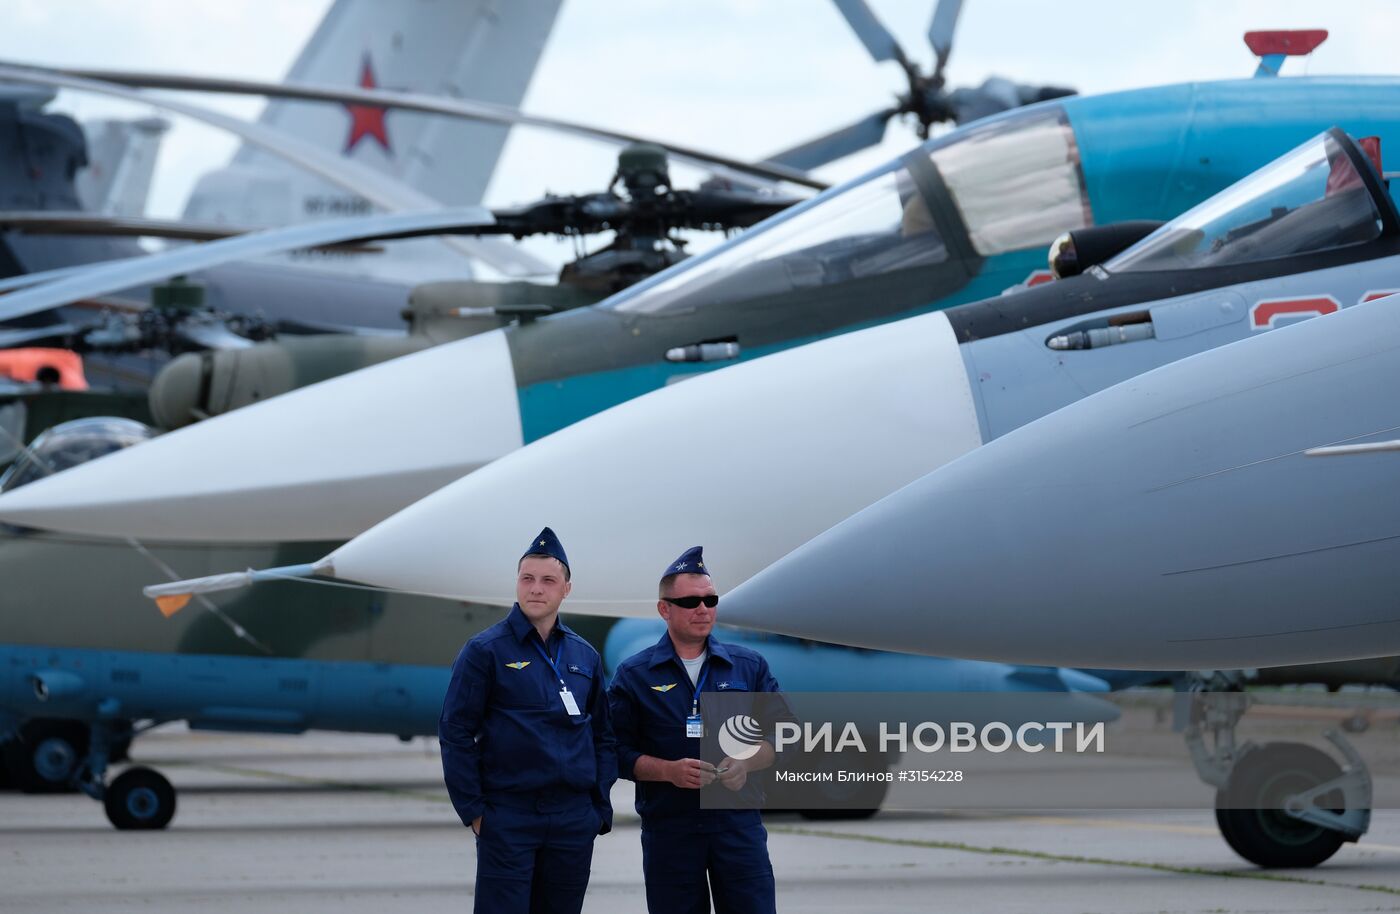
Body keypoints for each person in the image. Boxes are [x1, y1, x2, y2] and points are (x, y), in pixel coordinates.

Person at [439, 526, 616, 914]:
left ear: (566, 589)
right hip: (509, 817)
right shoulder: (484, 651)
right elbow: (455, 732)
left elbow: (604, 736)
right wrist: (475, 812)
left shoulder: (584, 656)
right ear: (517, 584)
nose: (536, 589)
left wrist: (597, 809)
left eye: (548, 580)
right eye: (527, 579)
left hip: (572, 820)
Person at [608, 546, 786, 914]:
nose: (703, 609)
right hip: (671, 830)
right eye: (690, 601)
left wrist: (746, 762)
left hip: (737, 827)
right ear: (664, 609)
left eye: (710, 600)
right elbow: (613, 750)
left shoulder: (747, 667)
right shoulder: (636, 675)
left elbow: (783, 735)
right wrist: (667, 771)